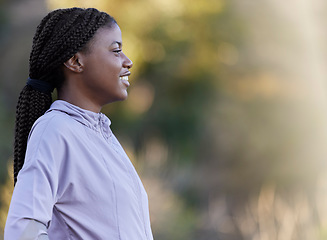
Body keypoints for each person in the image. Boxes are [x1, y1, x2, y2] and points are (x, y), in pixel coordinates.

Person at [4, 7, 153, 240]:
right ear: (75, 61)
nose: (128, 62)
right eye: (116, 51)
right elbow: (22, 232)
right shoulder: (55, 130)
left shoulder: (103, 136)